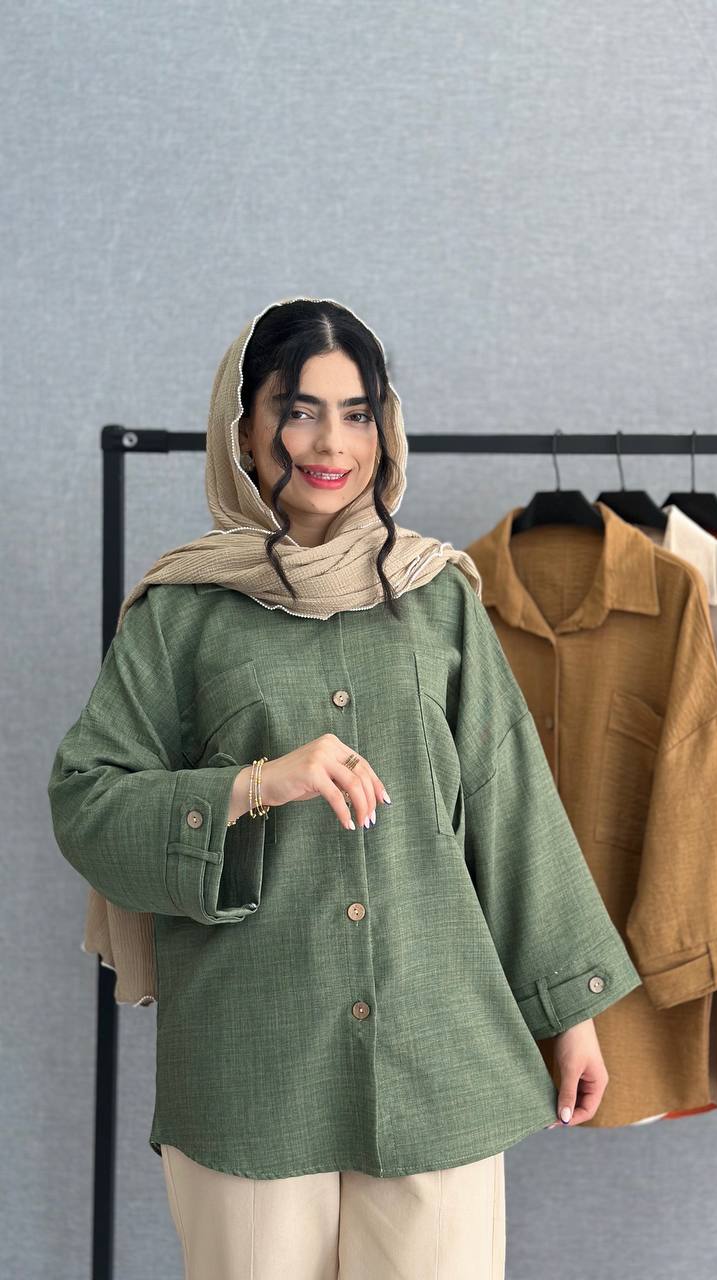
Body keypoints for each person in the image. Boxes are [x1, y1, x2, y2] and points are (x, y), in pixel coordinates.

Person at [48, 295, 643, 1279]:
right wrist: (254, 783)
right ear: (243, 429)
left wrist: (568, 1014)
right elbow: (88, 800)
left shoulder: (439, 597)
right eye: (299, 410)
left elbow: (509, 803)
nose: (333, 443)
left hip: (440, 1055)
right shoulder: (180, 615)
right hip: (252, 1072)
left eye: (357, 412)